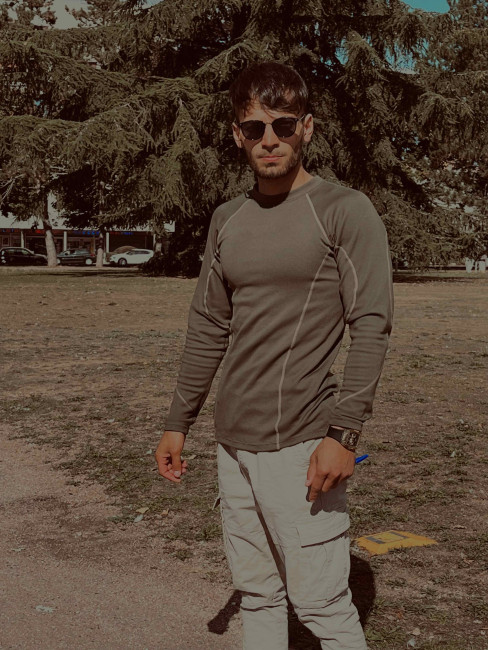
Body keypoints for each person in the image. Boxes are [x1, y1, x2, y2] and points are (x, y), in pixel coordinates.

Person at [155, 61, 393, 650]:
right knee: (258, 594)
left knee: (322, 607)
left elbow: (371, 323)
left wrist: (344, 433)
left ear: (306, 128)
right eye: (255, 127)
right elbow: (208, 324)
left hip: (302, 444)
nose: (270, 139)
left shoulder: (344, 209)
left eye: (283, 125)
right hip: (233, 442)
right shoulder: (227, 219)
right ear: (237, 134)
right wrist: (178, 422)